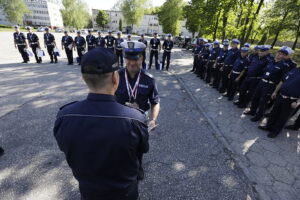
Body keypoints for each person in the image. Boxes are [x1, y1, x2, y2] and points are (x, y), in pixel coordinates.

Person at [54, 47, 149, 200]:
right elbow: (143, 149)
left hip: (89, 192)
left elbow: (66, 148)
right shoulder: (135, 118)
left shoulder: (64, 116)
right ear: (115, 78)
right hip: (124, 193)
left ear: (83, 78)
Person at [116, 40, 160, 180]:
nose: (132, 63)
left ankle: (138, 166)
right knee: (118, 145)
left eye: (136, 59)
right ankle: (120, 167)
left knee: (139, 147)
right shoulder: (116, 77)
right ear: (124, 58)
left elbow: (155, 102)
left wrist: (153, 119)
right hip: (119, 120)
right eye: (128, 59)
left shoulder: (149, 80)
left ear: (142, 58)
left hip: (140, 121)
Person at [244, 47, 290, 122]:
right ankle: (252, 111)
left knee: (263, 101)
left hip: (270, 85)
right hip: (262, 82)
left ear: (284, 56)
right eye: (278, 53)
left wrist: (275, 90)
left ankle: (258, 116)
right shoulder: (270, 61)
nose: (278, 54)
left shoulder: (284, 66)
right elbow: (264, 71)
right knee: (255, 98)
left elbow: (282, 79)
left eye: (281, 54)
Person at [258, 66, 300, 138]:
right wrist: (275, 92)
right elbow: (282, 81)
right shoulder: (294, 69)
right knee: (274, 112)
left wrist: (298, 102)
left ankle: (275, 132)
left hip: (292, 100)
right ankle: (268, 126)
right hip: (280, 96)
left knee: (283, 117)